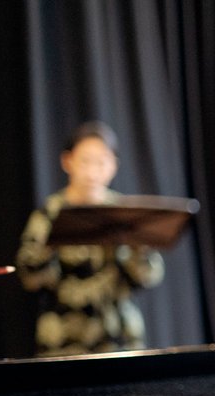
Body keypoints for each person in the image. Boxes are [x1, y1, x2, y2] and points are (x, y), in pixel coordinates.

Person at [15, 120, 165, 357]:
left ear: (114, 166)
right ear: (68, 161)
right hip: (63, 337)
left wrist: (137, 246)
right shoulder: (50, 212)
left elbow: (148, 276)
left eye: (102, 161)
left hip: (118, 335)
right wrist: (52, 243)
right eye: (85, 160)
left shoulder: (126, 213)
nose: (93, 170)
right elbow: (29, 277)